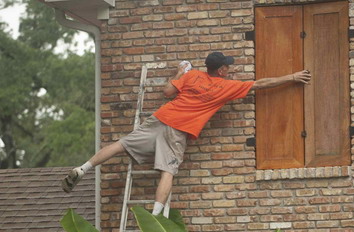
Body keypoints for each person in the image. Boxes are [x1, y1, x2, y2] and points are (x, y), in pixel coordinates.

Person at [62, 51, 311, 215]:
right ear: (222, 70)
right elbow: (260, 84)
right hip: (178, 131)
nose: (229, 69)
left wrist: (179, 73)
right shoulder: (226, 86)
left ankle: (82, 168)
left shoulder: (192, 76)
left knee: (121, 144)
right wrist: (292, 76)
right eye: (227, 66)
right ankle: (156, 216)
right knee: (168, 171)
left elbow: (167, 92)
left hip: (161, 117)